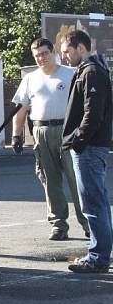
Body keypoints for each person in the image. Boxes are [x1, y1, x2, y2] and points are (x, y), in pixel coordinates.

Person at [12, 38, 89, 241]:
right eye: (37, 55)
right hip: (42, 131)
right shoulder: (30, 79)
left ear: (53, 52)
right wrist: (16, 135)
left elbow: (85, 104)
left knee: (76, 179)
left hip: (68, 130)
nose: (41, 58)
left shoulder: (70, 74)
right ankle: (58, 225)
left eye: (45, 53)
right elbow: (21, 110)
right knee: (50, 181)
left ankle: (88, 223)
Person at [60, 30, 112, 273]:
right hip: (89, 147)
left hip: (89, 149)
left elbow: (93, 114)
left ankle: (98, 256)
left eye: (67, 52)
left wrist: (77, 140)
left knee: (93, 204)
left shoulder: (91, 72)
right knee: (96, 203)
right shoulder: (90, 70)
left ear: (81, 47)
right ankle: (100, 253)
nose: (65, 58)